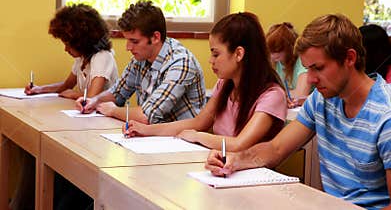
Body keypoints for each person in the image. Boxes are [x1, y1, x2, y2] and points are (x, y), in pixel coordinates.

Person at [205, 14, 391, 209]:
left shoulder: (384, 116)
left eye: (318, 68)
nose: (310, 79)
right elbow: (276, 149)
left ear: (349, 58)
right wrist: (235, 160)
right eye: (307, 69)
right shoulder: (321, 100)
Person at [123, 12, 287, 152]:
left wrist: (197, 136)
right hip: (222, 167)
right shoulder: (225, 85)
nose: (210, 61)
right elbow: (198, 122)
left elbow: (239, 144)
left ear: (238, 54)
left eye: (216, 54)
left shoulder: (272, 96)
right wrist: (146, 130)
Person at [76, 0, 206, 124]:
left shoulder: (181, 63)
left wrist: (113, 110)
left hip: (182, 141)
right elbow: (117, 93)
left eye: (134, 41)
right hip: (153, 136)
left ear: (155, 37)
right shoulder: (140, 59)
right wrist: (94, 100)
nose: (128, 47)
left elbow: (147, 116)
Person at [24, 4, 118, 99]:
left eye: (68, 45)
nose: (66, 49)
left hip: (104, 113)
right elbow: (66, 86)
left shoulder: (102, 57)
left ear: (81, 42)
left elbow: (92, 97)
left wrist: (74, 94)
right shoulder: (82, 58)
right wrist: (39, 89)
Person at [266, 22, 312, 107]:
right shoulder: (276, 62)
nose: (273, 56)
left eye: (277, 51)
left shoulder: (301, 61)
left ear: (288, 49)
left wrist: (277, 95)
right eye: (270, 51)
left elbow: (301, 94)